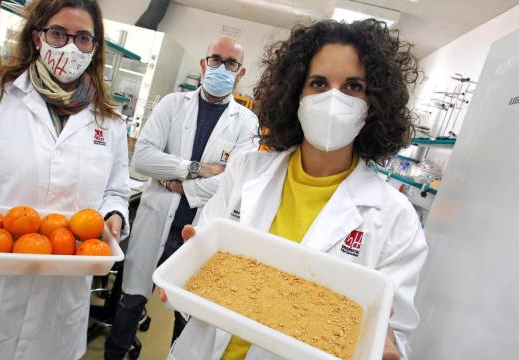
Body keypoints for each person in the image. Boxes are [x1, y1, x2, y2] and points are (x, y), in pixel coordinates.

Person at [166, 19, 428, 360]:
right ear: (295, 92)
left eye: (352, 86)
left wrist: (387, 343)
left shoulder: (395, 219)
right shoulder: (246, 170)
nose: (334, 99)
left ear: (375, 102)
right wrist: (190, 265)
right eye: (318, 83)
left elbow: (392, 335)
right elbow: (203, 265)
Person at [0, 1, 129, 359]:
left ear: (95, 48)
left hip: (60, 292)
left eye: (83, 38)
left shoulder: (109, 122)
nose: (70, 47)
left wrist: (114, 214)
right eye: (58, 33)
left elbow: (115, 190)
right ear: (37, 37)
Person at [104, 37, 259, 359]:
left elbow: (237, 182)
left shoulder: (246, 123)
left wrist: (180, 185)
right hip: (156, 217)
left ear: (240, 73)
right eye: (215, 59)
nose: (222, 68)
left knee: (187, 313)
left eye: (231, 63)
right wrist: (197, 169)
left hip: (198, 230)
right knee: (132, 299)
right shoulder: (172, 105)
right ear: (204, 64)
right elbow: (143, 159)